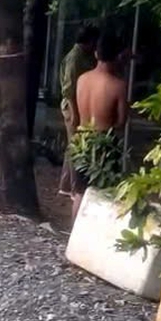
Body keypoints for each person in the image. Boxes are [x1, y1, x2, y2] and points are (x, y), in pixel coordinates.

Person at [71, 32, 128, 220]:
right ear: (119, 56)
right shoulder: (118, 85)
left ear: (96, 54)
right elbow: (121, 121)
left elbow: (76, 114)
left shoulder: (82, 79)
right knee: (104, 194)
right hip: (104, 141)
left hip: (82, 139)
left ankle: (73, 234)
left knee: (79, 192)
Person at [58, 25, 100, 197]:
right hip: (72, 105)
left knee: (73, 146)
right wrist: (75, 113)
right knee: (76, 148)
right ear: (89, 41)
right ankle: (75, 187)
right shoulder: (75, 58)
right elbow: (68, 89)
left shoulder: (84, 56)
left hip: (78, 104)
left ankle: (66, 185)